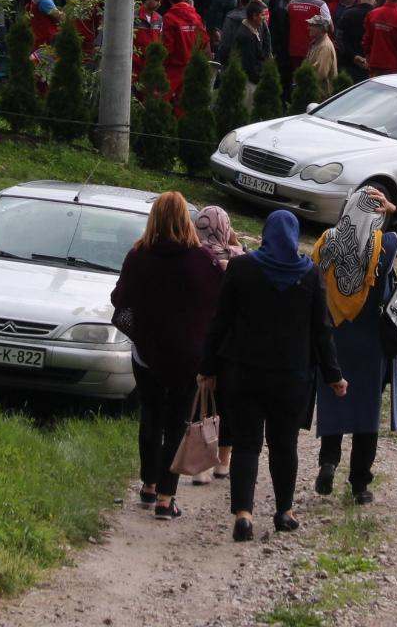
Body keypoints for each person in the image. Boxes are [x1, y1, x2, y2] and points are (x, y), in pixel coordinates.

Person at [198, 211, 344, 542]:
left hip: (242, 372)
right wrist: (334, 375)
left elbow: (220, 322)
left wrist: (206, 368)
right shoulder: (309, 274)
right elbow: (322, 330)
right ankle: (284, 512)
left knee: (246, 444)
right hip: (291, 377)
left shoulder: (241, 268)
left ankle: (244, 515)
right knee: (283, 444)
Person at [111, 193, 225, 520]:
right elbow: (220, 301)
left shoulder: (138, 255)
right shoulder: (201, 260)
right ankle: (165, 497)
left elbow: (121, 299)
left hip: (146, 352)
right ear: (185, 219)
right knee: (176, 422)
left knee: (150, 415)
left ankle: (147, 484)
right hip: (188, 357)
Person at [312, 188, 397, 506]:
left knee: (334, 399)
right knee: (366, 410)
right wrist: (392, 209)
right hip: (370, 342)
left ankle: (328, 462)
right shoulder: (384, 246)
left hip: (333, 336)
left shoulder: (327, 241)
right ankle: (360, 483)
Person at [303, 12, 339, 86]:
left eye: (311, 25)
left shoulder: (325, 47)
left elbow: (320, 74)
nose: (308, 28)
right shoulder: (316, 42)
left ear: (320, 28)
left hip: (322, 94)